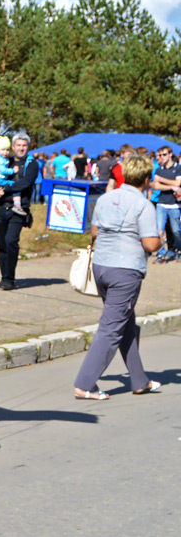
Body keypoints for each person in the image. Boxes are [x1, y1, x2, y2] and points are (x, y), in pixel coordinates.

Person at [72, 155, 163, 400]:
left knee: (125, 324)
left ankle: (139, 380)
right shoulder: (144, 205)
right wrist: (162, 238)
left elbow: (94, 232)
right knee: (111, 328)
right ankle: (85, 383)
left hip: (102, 266)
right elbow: (150, 243)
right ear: (146, 179)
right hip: (126, 271)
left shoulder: (106, 198)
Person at [0, 133, 39, 290]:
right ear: (13, 147)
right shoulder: (5, 161)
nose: (21, 148)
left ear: (28, 147)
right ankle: (4, 277)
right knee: (2, 243)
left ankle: (10, 278)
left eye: (24, 145)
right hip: (0, 207)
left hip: (18, 209)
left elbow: (25, 183)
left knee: (11, 241)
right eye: (18, 145)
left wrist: (5, 188)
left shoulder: (32, 164)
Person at [151, 145, 181, 263]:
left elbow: (178, 182)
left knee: (175, 230)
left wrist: (163, 181)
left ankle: (178, 249)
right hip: (161, 204)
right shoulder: (159, 169)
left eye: (164, 154)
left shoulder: (178, 168)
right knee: (159, 229)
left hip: (174, 205)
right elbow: (156, 185)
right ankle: (161, 253)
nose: (161, 157)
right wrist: (172, 186)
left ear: (170, 154)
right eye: (159, 155)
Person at [0, 137, 26, 217]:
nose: (5, 152)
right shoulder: (0, 160)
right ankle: (17, 205)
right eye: (3, 150)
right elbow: (3, 171)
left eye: (7, 150)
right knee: (14, 184)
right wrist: (13, 171)